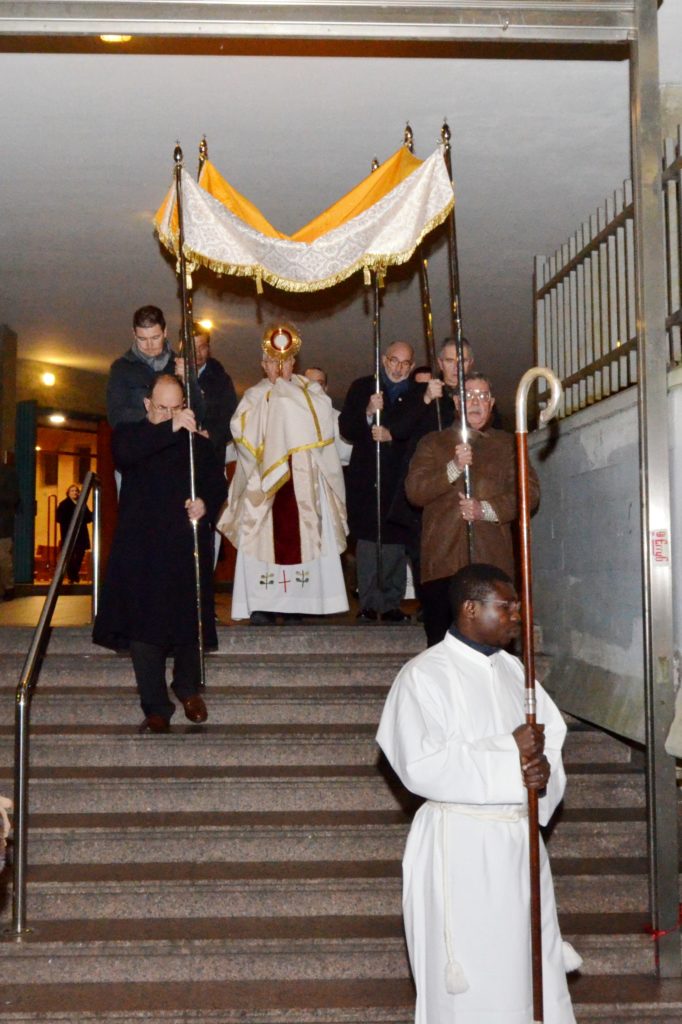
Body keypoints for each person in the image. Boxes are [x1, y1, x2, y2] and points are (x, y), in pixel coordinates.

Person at [376, 562, 580, 1024]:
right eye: (505, 606)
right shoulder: (423, 675)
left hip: (517, 845)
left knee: (529, 975)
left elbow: (552, 746)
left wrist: (543, 774)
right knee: (470, 983)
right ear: (470, 608)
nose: (516, 616)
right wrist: (508, 752)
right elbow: (420, 765)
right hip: (460, 846)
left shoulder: (517, 674)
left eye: (516, 607)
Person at [93, 374, 228, 732]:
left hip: (185, 546)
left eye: (177, 408)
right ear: (148, 405)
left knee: (190, 622)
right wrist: (170, 427)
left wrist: (205, 504)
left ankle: (188, 688)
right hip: (142, 550)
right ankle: (155, 706)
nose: (170, 414)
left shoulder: (195, 444)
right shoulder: (131, 434)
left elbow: (216, 483)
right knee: (145, 631)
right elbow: (126, 454)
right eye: (163, 408)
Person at [218, 325, 348, 624]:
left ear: (294, 363)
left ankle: (299, 605)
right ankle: (263, 605)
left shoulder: (311, 391)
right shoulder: (254, 395)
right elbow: (241, 432)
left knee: (305, 535)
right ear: (262, 364)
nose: (278, 367)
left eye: (285, 361)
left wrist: (284, 391)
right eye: (271, 361)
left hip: (303, 482)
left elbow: (321, 424)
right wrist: (274, 396)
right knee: (260, 539)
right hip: (266, 485)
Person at [405, 372, 539, 646]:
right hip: (443, 563)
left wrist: (486, 510)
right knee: (444, 649)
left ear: (491, 403)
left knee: (495, 648)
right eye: (468, 395)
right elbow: (415, 491)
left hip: (492, 564)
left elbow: (529, 494)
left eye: (482, 396)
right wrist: (453, 467)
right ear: (456, 402)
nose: (475, 402)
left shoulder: (509, 445)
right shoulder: (432, 443)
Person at [338, 341, 417, 623]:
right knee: (369, 541)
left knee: (395, 541)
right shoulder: (362, 387)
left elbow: (416, 429)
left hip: (398, 478)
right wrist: (368, 412)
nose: (399, 368)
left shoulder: (415, 394)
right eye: (394, 361)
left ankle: (392, 602)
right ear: (384, 360)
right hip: (367, 477)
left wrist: (391, 434)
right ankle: (369, 601)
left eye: (405, 363)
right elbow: (346, 428)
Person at [175, 324, 238, 464]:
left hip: (211, 457)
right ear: (182, 346)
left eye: (202, 347)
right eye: (192, 347)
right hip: (176, 456)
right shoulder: (170, 376)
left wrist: (210, 434)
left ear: (208, 348)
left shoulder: (221, 380)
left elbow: (232, 418)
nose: (197, 353)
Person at [107, 305, 178, 428]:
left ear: (165, 332)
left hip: (174, 444)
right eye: (142, 339)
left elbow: (198, 411)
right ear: (134, 334)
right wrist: (153, 415)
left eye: (155, 338)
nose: (149, 345)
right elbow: (115, 415)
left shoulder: (180, 364)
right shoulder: (121, 368)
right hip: (138, 443)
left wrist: (189, 381)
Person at [303, 366, 353, 467]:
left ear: (325, 388)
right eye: (310, 383)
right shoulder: (293, 417)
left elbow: (347, 455)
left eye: (319, 383)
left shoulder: (339, 419)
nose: (315, 387)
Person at [56, 484, 92, 583]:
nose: (75, 493)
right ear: (68, 493)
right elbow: (59, 518)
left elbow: (89, 517)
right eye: (72, 491)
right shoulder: (63, 504)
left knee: (80, 554)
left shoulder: (82, 504)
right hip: (69, 533)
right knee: (70, 555)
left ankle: (74, 574)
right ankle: (72, 576)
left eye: (76, 491)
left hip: (81, 534)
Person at [0, 457, 20, 601]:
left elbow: (13, 498)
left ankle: (9, 588)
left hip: (2, 524)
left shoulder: (8, 473)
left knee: (3, 558)